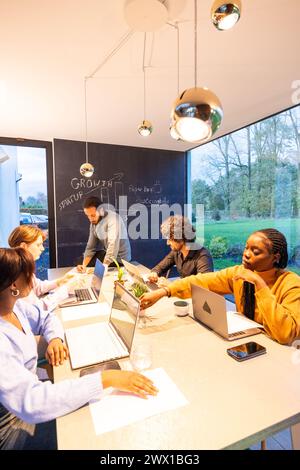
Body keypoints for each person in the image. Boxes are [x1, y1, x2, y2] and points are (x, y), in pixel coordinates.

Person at [0, 247, 158, 450]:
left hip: (26, 401)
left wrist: (55, 338)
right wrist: (106, 378)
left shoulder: (15, 307)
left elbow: (46, 317)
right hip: (13, 430)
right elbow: (32, 402)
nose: (34, 277)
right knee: (93, 431)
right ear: (13, 285)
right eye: (29, 274)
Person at [140, 228, 300, 345]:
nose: (246, 254)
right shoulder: (238, 273)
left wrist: (260, 284)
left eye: (255, 251)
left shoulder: (291, 283)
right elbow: (201, 281)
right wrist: (164, 291)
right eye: (246, 248)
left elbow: (286, 333)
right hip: (248, 342)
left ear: (275, 257)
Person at [8, 225, 73, 307]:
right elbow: (37, 309)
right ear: (23, 246)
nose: (42, 248)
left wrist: (61, 281)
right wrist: (66, 289)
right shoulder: (17, 275)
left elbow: (38, 287)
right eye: (38, 245)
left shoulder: (22, 266)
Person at [148, 215, 213, 283]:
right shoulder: (176, 252)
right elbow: (160, 267)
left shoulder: (203, 256)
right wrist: (154, 273)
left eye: (170, 239)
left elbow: (204, 285)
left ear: (181, 239)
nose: (167, 243)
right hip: (182, 291)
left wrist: (173, 286)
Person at [77, 196, 131, 272]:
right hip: (108, 253)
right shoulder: (93, 222)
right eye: (87, 216)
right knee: (81, 261)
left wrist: (104, 266)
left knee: (97, 268)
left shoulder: (113, 219)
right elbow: (90, 247)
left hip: (120, 260)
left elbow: (113, 244)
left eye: (93, 215)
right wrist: (84, 266)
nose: (90, 219)